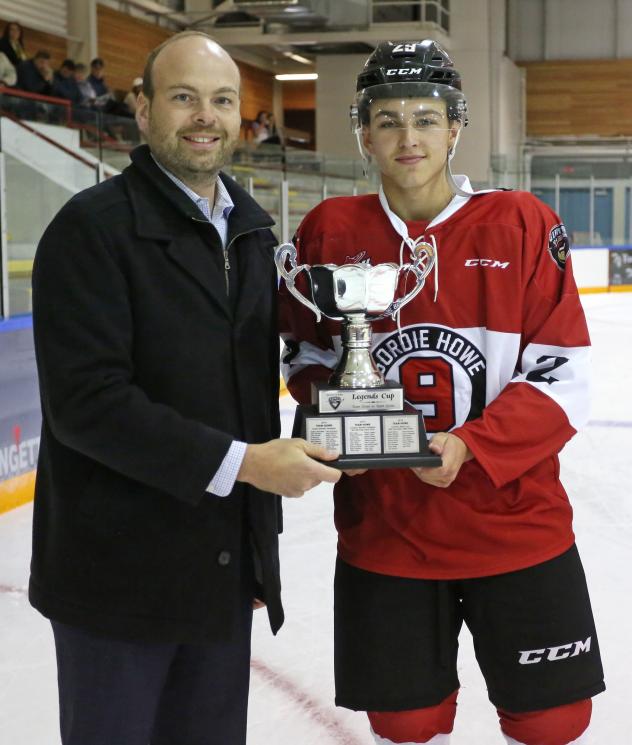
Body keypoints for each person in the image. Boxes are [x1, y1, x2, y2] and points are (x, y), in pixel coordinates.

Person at [279, 40, 605, 745]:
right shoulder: (329, 230)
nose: (408, 137)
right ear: (363, 132)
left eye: (426, 119)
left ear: (456, 127)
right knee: (405, 722)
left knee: (554, 721)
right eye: (388, 120)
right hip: (385, 528)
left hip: (514, 523)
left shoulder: (522, 223)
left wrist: (469, 443)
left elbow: (562, 369)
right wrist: (338, 424)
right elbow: (304, 353)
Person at [30, 29, 340, 745]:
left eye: (222, 100)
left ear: (240, 118)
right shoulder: (91, 231)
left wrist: (261, 549)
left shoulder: (253, 233)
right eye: (183, 98)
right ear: (141, 111)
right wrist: (248, 466)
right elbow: (88, 406)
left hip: (218, 581)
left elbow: (252, 391)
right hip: (115, 588)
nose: (205, 115)